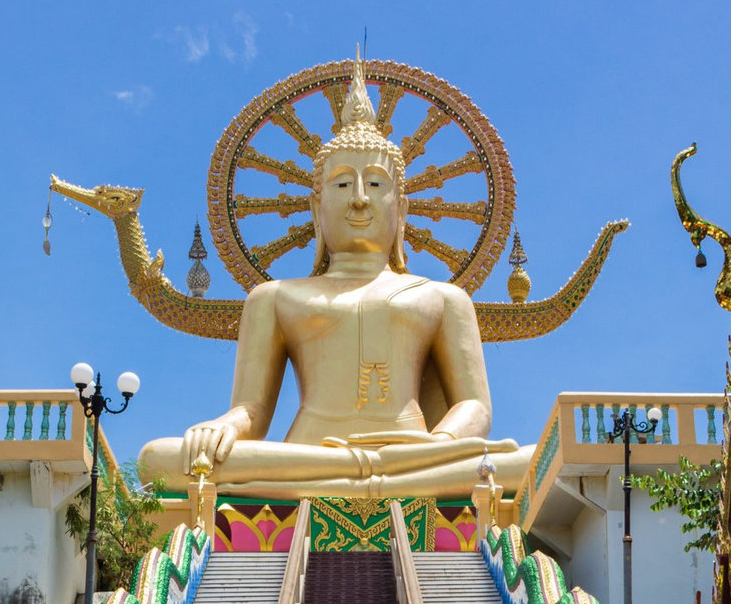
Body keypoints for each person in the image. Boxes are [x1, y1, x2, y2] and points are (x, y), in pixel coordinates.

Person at [135, 50, 526, 500]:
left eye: (376, 185)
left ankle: (375, 473)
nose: (359, 199)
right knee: (157, 459)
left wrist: (440, 445)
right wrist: (222, 427)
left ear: (401, 206)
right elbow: (252, 410)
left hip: (418, 457)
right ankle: (372, 475)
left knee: (529, 461)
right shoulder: (275, 297)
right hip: (315, 456)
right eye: (342, 184)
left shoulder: (443, 298)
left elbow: (474, 406)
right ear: (316, 207)